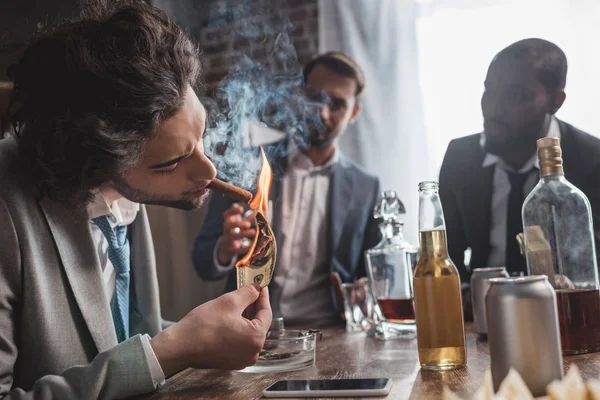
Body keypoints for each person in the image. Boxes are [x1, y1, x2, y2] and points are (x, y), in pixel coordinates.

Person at [0, 1, 272, 399]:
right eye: (174, 161)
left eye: (201, 138)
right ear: (92, 157)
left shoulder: (122, 183)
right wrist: (173, 350)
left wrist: (200, 342)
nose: (209, 171)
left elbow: (117, 335)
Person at [193, 52, 382, 327]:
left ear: (354, 112)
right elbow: (202, 261)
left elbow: (371, 276)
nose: (322, 113)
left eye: (337, 103)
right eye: (315, 97)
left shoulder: (367, 187)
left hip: (329, 334)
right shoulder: (249, 165)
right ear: (297, 95)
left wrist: (367, 289)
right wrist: (224, 249)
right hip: (247, 328)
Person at [440, 38, 600, 288]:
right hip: (484, 312)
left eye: (515, 95)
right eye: (489, 90)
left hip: (568, 313)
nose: (493, 108)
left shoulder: (592, 160)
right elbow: (447, 257)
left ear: (554, 101)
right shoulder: (461, 158)